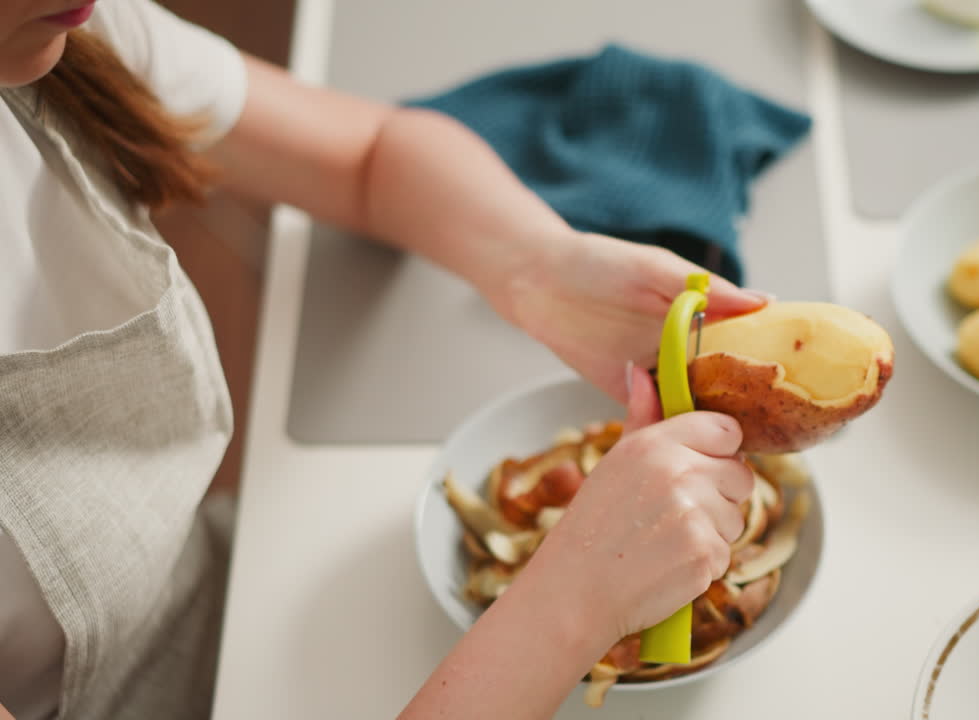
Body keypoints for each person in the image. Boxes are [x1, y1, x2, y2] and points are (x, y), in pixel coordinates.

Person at [0, 1, 769, 719]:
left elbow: (370, 156)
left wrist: (540, 268)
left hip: (231, 601)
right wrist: (573, 602)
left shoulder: (68, 34)